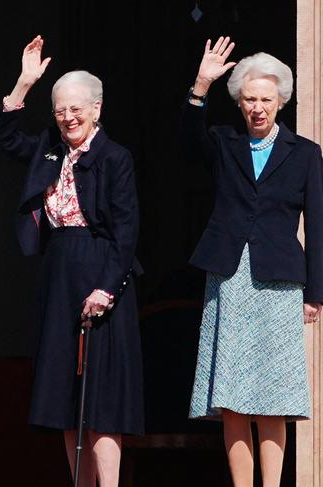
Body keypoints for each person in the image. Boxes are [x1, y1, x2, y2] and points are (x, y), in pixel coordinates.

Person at [0, 35, 144, 487]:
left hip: (102, 273)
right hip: (58, 272)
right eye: (59, 109)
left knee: (102, 398)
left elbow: (127, 231)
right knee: (63, 394)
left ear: (97, 108)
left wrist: (106, 288)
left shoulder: (115, 158)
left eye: (76, 108)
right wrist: (23, 83)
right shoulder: (49, 148)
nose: (68, 117)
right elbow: (2, 137)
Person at [183, 36, 323, 487]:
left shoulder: (305, 153)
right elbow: (186, 142)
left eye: (265, 99)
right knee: (233, 396)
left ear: (281, 100)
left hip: (280, 280)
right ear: (239, 104)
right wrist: (201, 85)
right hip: (230, 278)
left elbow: (318, 224)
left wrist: (316, 293)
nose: (257, 107)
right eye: (248, 99)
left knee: (273, 395)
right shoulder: (225, 143)